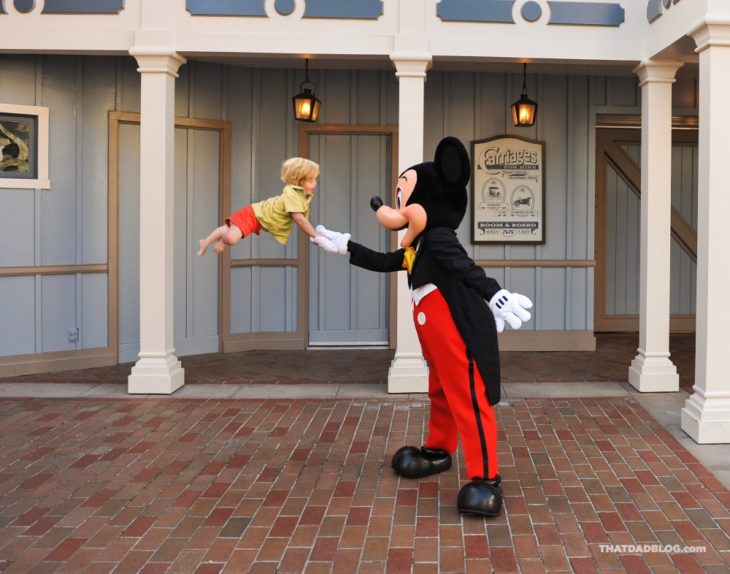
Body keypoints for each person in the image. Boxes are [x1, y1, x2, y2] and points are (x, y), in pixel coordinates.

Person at [311, 137, 532, 517]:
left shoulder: (441, 239)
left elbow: (466, 268)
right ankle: (439, 448)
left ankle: (486, 477)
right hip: (437, 344)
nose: (397, 209)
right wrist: (345, 245)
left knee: (468, 398)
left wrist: (494, 294)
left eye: (405, 200)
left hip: (459, 337)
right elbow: (384, 261)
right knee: (441, 391)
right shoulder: (419, 247)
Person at [197, 157, 334, 256]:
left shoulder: (300, 195)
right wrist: (315, 234)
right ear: (300, 181)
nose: (315, 183)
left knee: (228, 228)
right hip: (253, 215)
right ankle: (221, 241)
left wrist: (316, 237)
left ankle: (206, 241)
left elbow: (303, 218)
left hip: (259, 218)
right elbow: (300, 219)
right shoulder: (292, 194)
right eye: (311, 180)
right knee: (231, 238)